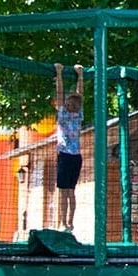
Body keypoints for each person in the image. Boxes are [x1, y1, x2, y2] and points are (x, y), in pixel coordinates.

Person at [52, 62, 85, 231]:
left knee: (67, 191)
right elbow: (75, 95)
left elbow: (77, 94)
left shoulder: (69, 114)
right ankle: (65, 222)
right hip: (72, 156)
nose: (68, 104)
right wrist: (78, 75)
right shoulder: (75, 115)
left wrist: (60, 73)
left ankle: (67, 223)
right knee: (67, 191)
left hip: (67, 156)